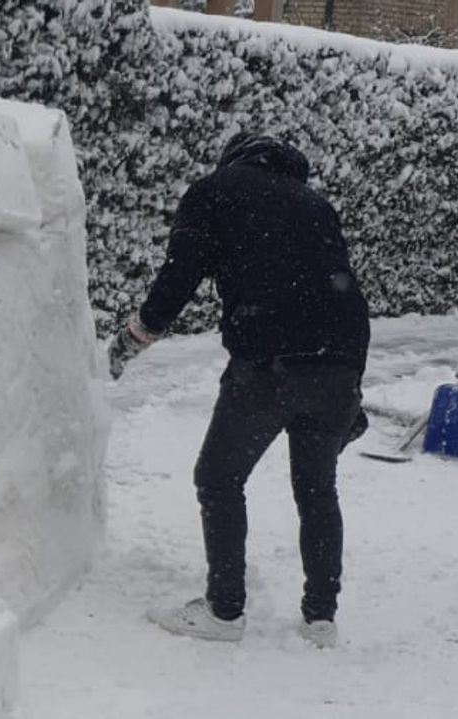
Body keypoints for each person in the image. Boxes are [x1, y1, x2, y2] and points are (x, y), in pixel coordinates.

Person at [108, 132, 370, 649]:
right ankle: (320, 619)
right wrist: (350, 388)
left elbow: (180, 272)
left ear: (235, 158)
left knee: (218, 477)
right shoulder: (316, 204)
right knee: (317, 489)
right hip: (341, 360)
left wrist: (139, 333)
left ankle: (224, 612)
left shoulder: (215, 190)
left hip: (269, 357)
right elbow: (340, 290)